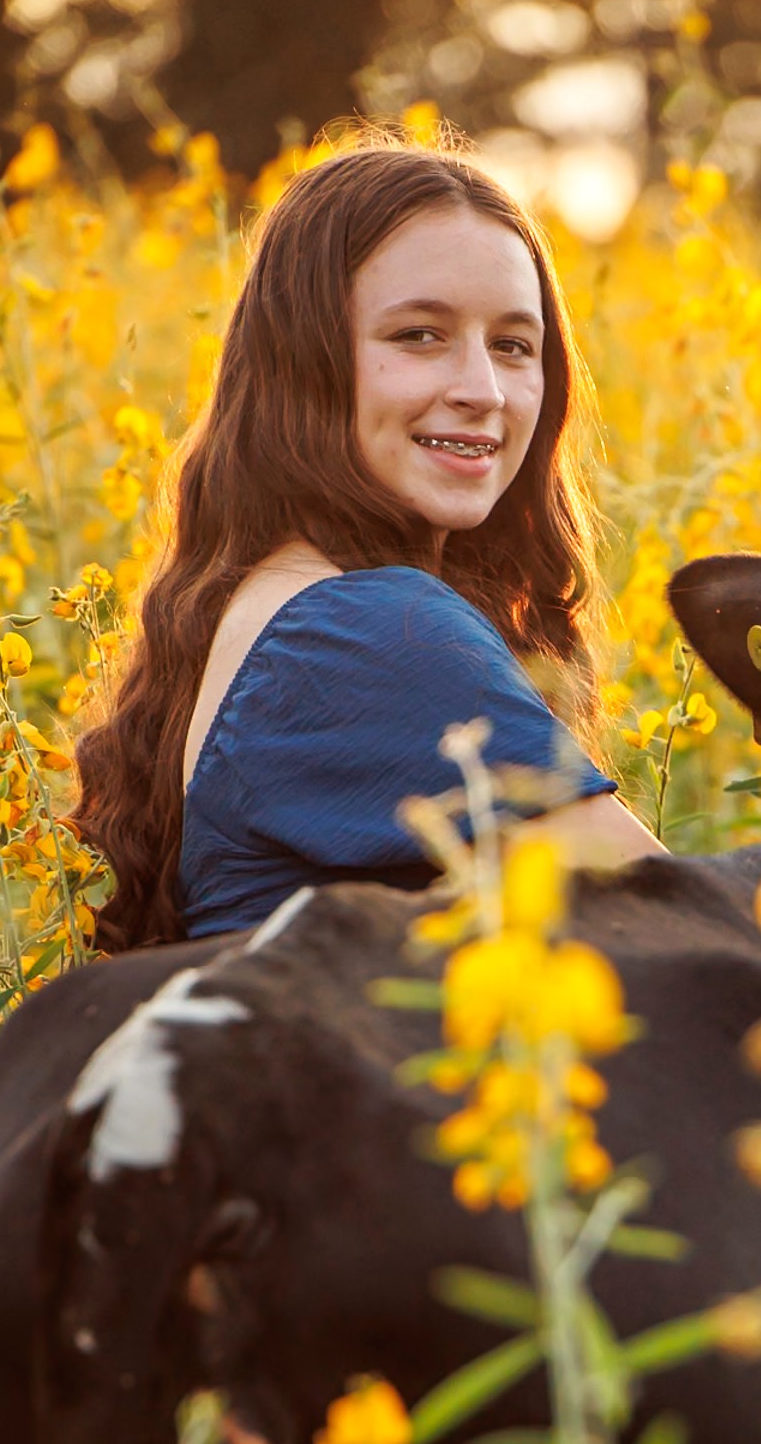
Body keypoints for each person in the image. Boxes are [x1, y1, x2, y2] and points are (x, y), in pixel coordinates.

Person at [74, 133, 664, 951]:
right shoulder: (365, 630)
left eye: (512, 346)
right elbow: (692, 942)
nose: (483, 391)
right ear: (304, 361)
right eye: (419, 335)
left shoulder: (274, 603)